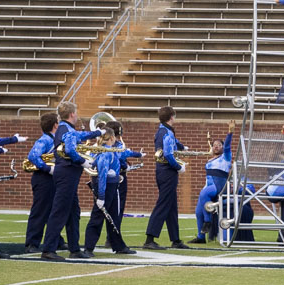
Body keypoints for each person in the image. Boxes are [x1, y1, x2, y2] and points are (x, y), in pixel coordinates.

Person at [40, 102, 103, 261]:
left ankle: (74, 248)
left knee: (73, 212)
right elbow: (69, 149)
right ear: (72, 114)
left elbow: (79, 136)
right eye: (76, 112)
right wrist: (83, 161)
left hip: (69, 174)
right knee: (60, 211)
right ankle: (48, 249)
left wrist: (96, 132)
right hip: (67, 172)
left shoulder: (66, 128)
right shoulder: (66, 129)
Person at [82, 122, 140, 255]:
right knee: (98, 216)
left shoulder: (112, 151)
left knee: (114, 216)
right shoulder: (103, 152)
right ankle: (88, 247)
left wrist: (136, 158)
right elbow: (101, 176)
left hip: (113, 186)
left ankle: (118, 245)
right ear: (112, 138)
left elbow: (122, 158)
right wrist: (101, 196)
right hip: (104, 187)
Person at [143, 106, 189, 251]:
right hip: (167, 172)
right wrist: (179, 167)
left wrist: (183, 147)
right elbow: (169, 155)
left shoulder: (163, 130)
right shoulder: (166, 132)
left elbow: (173, 144)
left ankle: (175, 239)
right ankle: (150, 238)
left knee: (171, 207)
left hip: (163, 171)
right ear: (172, 116)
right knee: (163, 205)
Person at [192, 122, 236, 244]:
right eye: (214, 145)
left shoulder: (226, 157)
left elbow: (227, 146)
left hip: (219, 185)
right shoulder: (210, 159)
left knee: (203, 194)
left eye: (219, 145)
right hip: (209, 185)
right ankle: (201, 238)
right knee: (198, 211)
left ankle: (208, 221)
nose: (216, 146)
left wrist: (230, 133)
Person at [25, 114, 58, 252]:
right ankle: (32, 243)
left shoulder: (54, 139)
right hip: (43, 178)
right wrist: (47, 168)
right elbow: (33, 155)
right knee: (40, 210)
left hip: (52, 178)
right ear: (55, 125)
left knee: (53, 211)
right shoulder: (45, 140)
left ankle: (57, 240)